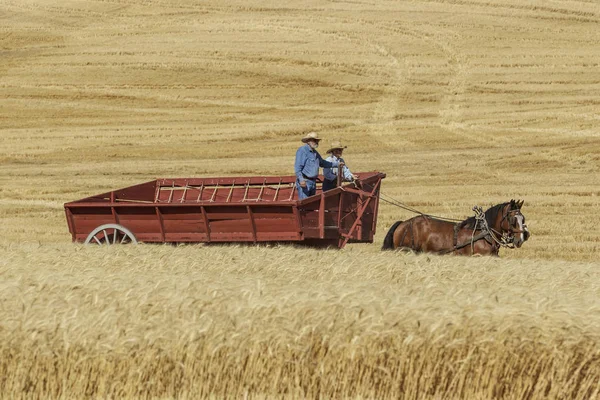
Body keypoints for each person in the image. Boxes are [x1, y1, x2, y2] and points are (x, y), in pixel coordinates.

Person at [294, 132, 343, 200]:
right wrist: (301, 180)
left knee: (310, 204)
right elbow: (297, 167)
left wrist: (336, 164)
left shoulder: (315, 153)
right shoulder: (302, 150)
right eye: (315, 140)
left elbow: (323, 163)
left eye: (317, 141)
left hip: (313, 182)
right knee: (304, 205)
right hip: (305, 181)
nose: (316, 142)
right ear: (308, 141)